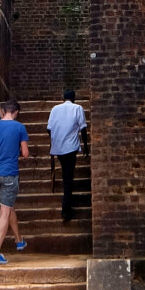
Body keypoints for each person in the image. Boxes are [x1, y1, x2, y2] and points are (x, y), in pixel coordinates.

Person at [0, 99, 30, 262]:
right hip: (9, 173)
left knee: (8, 206)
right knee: (4, 213)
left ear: (4, 110)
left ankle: (19, 241)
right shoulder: (19, 127)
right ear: (16, 112)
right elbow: (25, 153)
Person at [46, 90, 88, 223]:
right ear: (74, 98)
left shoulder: (55, 109)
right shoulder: (78, 108)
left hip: (58, 148)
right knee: (68, 177)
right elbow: (83, 128)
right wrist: (85, 145)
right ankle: (66, 209)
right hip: (70, 148)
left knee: (66, 174)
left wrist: (56, 140)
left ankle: (67, 206)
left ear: (63, 98)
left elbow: (49, 128)